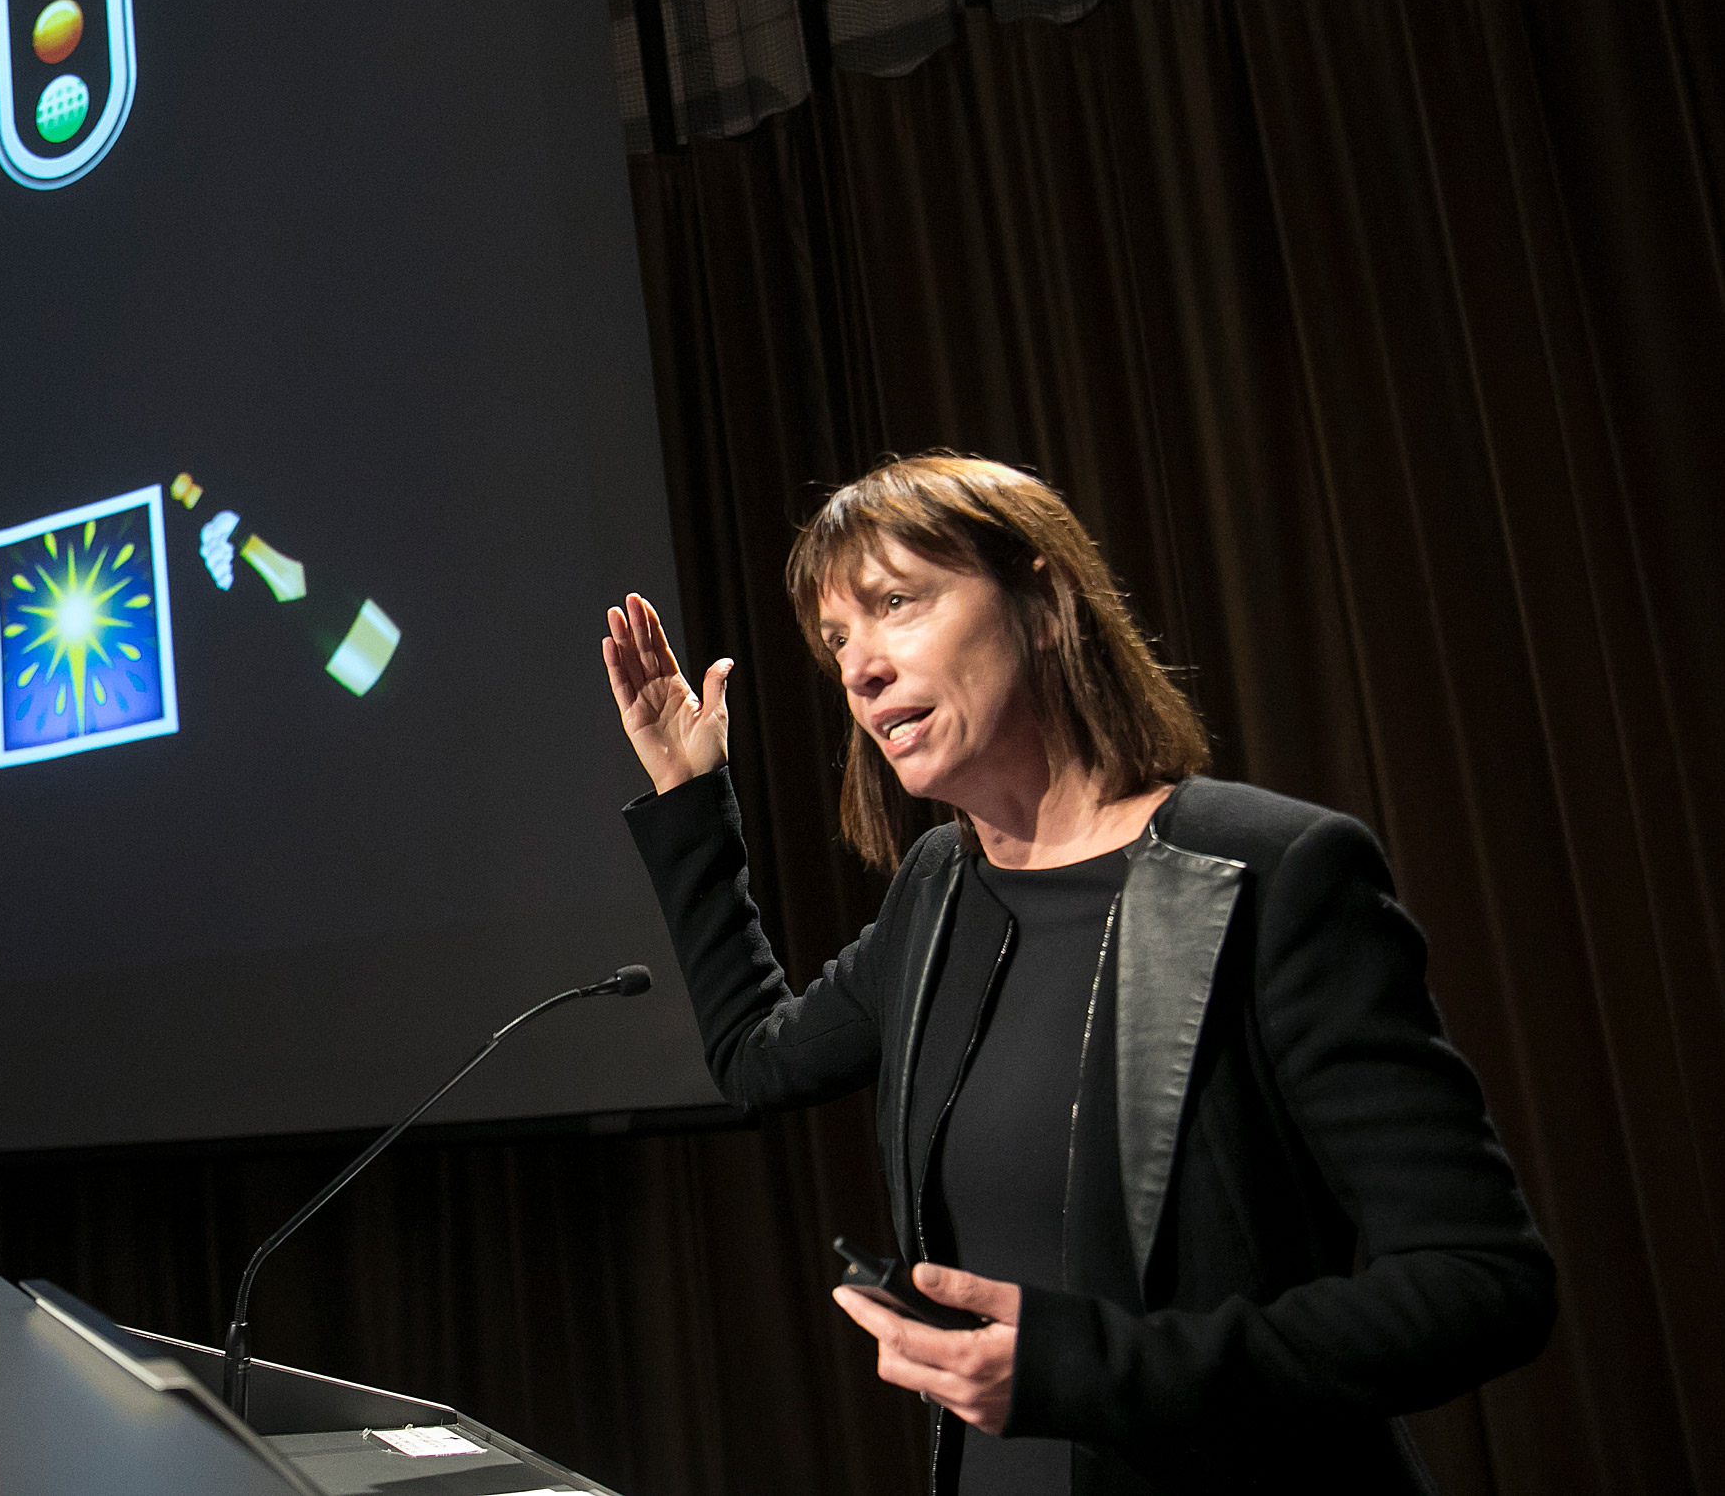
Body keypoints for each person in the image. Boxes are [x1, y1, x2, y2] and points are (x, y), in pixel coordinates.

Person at [602, 453, 1554, 1496]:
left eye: (895, 604)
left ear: (1045, 601)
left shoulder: (1269, 872)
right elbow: (755, 1058)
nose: (858, 668)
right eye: (835, 641)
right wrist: (689, 796)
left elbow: (1481, 1283)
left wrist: (1087, 1365)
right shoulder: (937, 892)